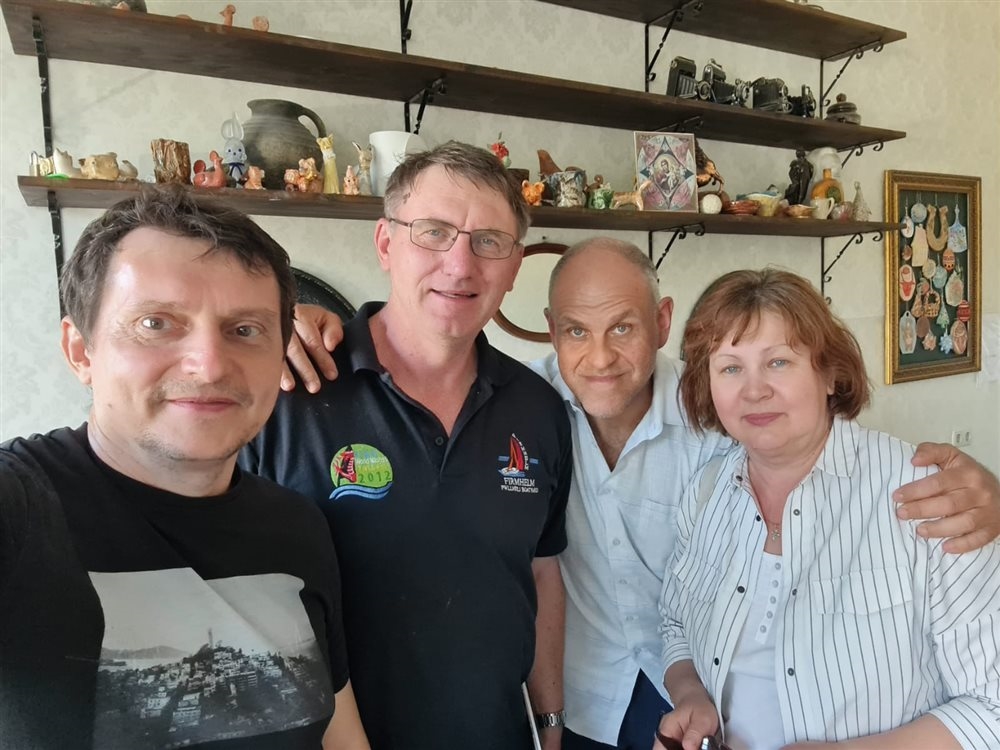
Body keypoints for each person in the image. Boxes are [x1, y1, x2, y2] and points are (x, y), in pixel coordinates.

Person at [286, 237, 1000, 750]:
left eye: (623, 327)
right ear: (553, 332)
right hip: (600, 701)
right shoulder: (520, 408)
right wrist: (316, 330)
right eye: (576, 330)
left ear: (660, 323)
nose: (599, 356)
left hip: (695, 700)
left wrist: (990, 493)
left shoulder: (722, 427)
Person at [0, 187, 369, 750]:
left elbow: (340, 733)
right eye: (156, 323)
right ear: (80, 351)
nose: (210, 365)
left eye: (245, 330)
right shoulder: (20, 506)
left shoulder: (298, 526)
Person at [241, 141, 573, 750]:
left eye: (489, 241)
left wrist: (550, 722)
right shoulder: (290, 391)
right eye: (434, 232)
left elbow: (540, 569)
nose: (460, 265)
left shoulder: (540, 408)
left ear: (513, 267)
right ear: (386, 243)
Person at [656, 268, 1000, 750]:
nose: (754, 390)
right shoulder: (706, 492)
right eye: (730, 368)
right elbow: (674, 621)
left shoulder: (927, 496)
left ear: (830, 373)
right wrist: (691, 694)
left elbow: (991, 706)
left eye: (778, 362)